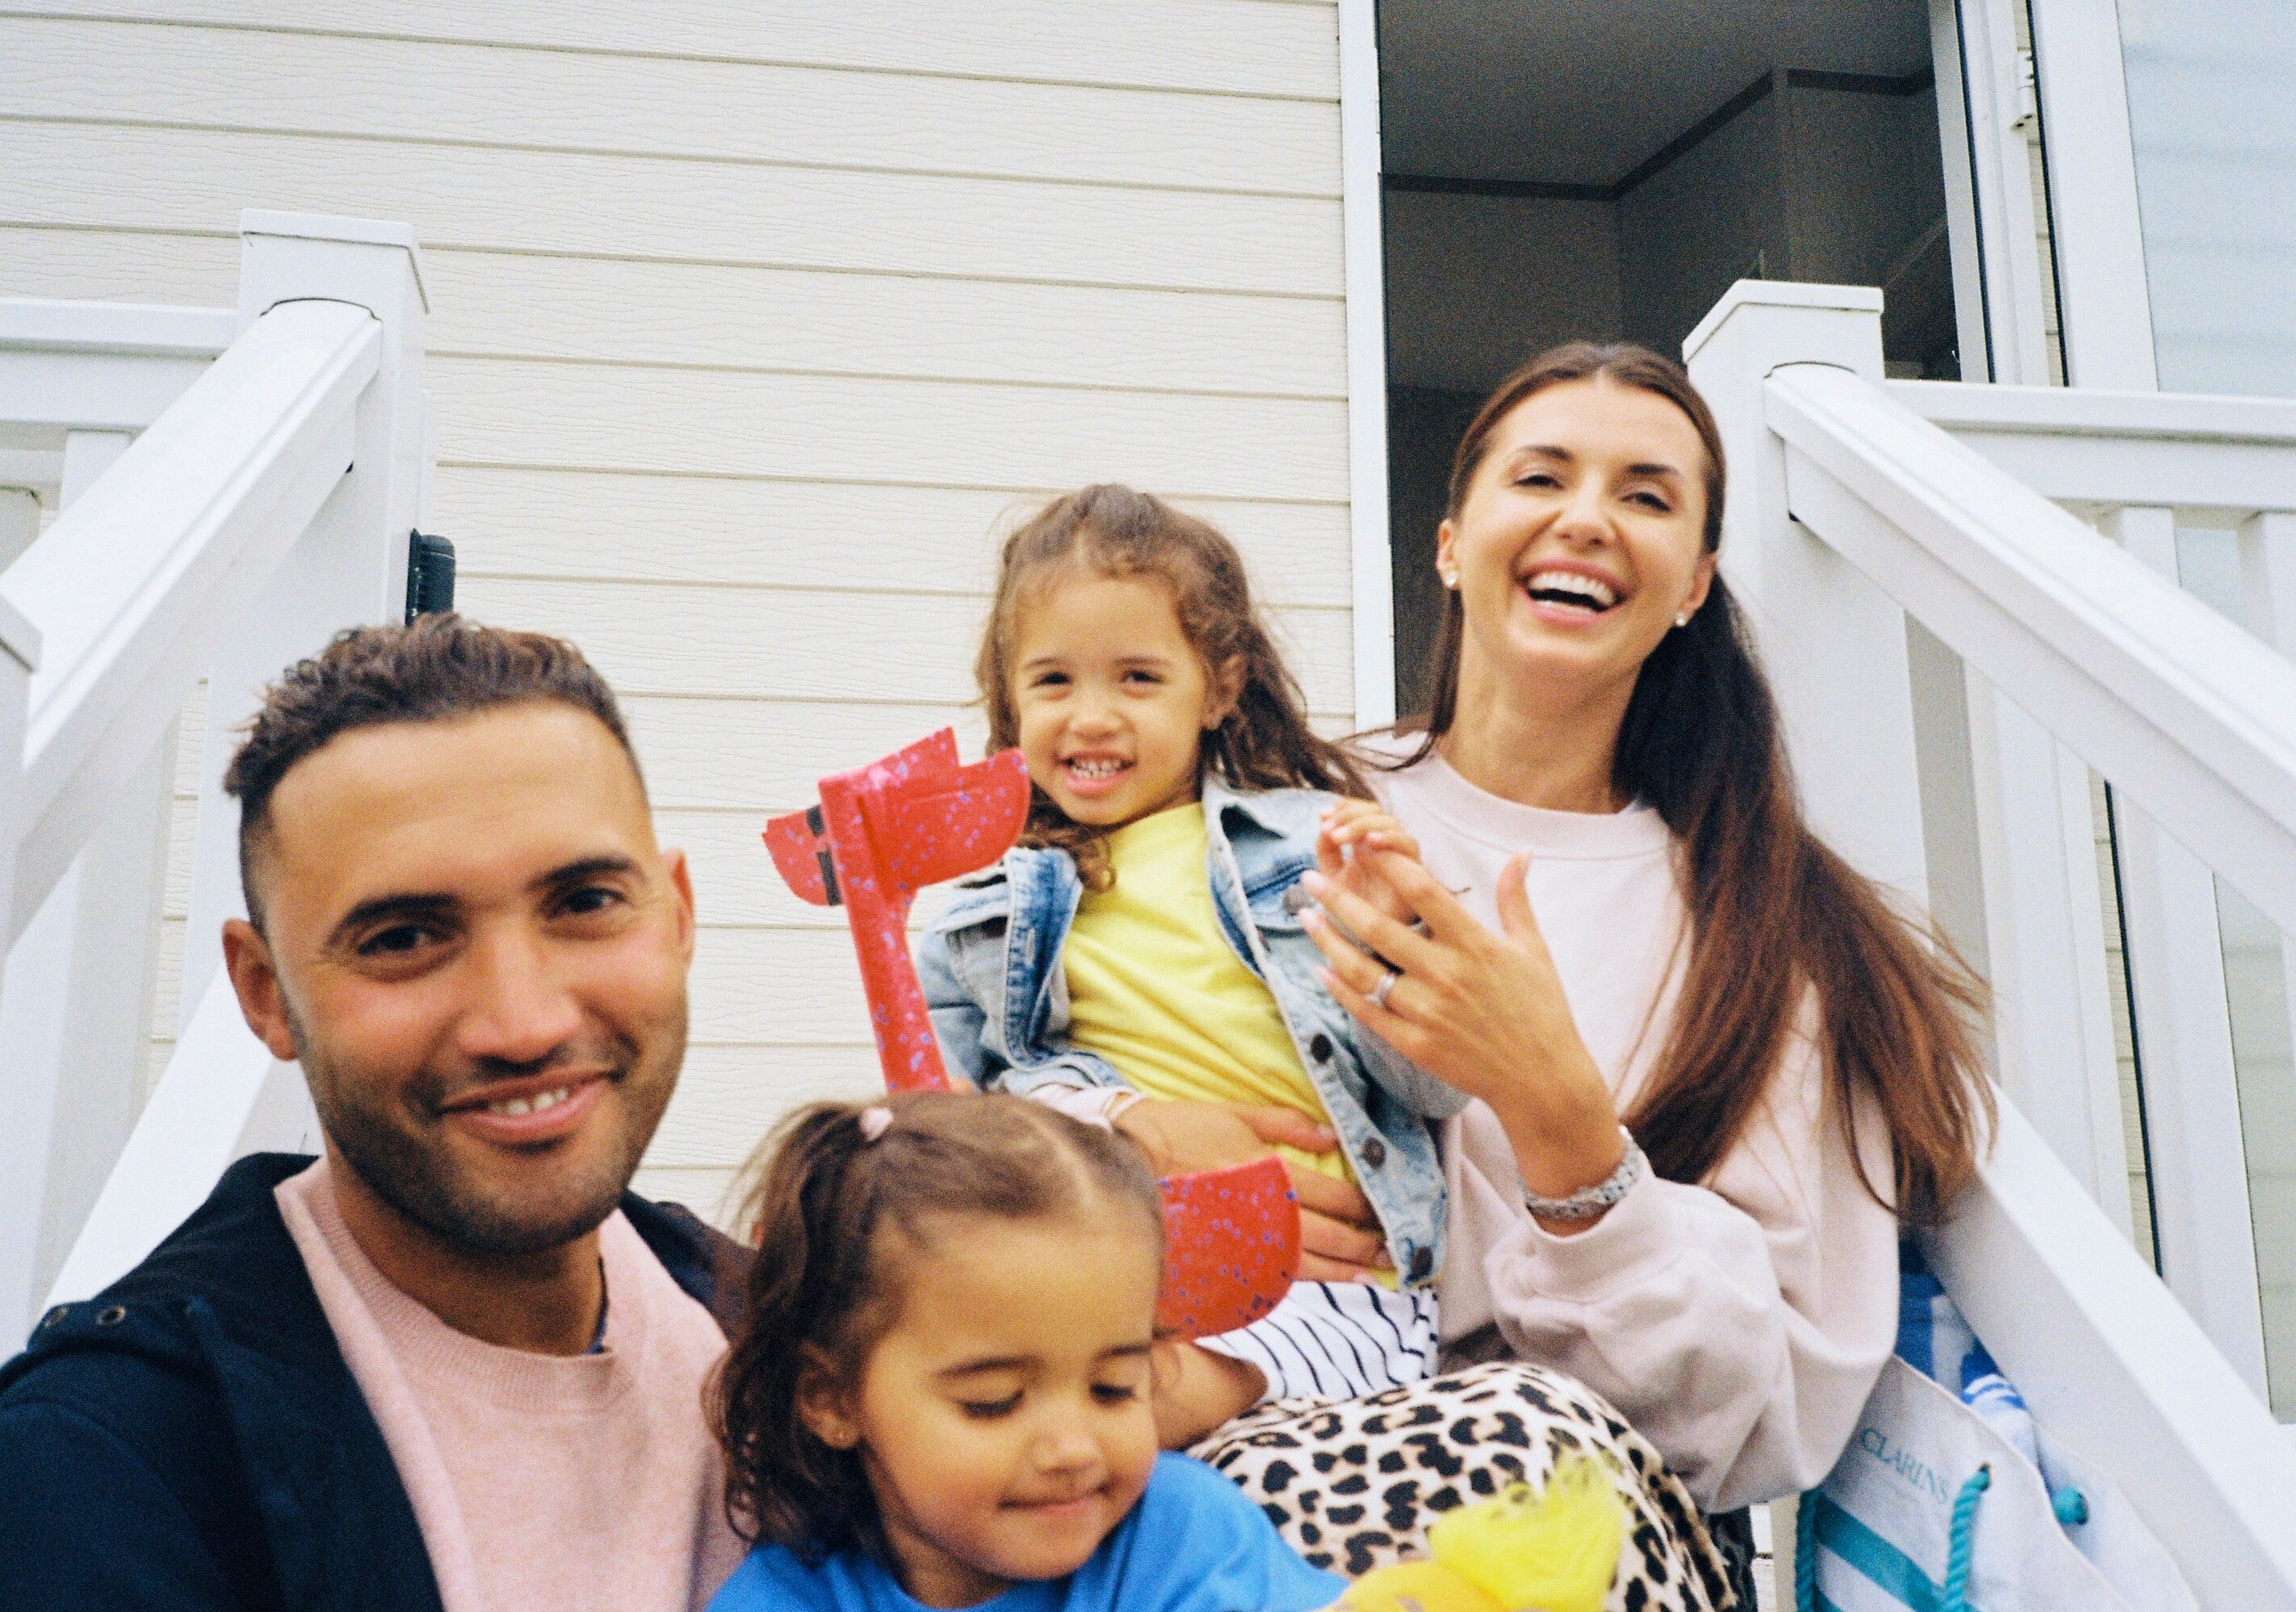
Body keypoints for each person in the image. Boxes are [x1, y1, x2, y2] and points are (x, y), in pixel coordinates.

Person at [1182, 342, 1992, 1600]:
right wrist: (1136, 1137)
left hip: (1573, 1512)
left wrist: (1555, 1108)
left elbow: (1764, 1415)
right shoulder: (1272, 822)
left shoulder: (1766, 930)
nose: (1586, 520)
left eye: (1647, 495)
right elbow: (1032, 1079)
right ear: (1452, 542)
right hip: (1231, 1449)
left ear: (1694, 585)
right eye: (1543, 476)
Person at [0, 618, 750, 1611]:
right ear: (264, 991)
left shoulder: (791, 1339)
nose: (523, 1022)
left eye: (583, 902)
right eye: (404, 936)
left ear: (678, 914)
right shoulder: (109, 1469)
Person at [916, 484, 1468, 1445]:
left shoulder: (1310, 847)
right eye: (1053, 682)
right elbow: (945, 1135)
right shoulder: (977, 917)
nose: (1091, 717)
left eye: (1137, 678)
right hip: (1107, 1289)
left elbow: (1439, 1088)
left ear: (1217, 687)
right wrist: (1117, 1116)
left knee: (1111, 1410)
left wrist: (1393, 951)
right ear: (1009, 695)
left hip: (1323, 1299)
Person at [703, 1091, 1347, 1612]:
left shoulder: (1181, 1534)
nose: (1074, 1448)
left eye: (1115, 1386)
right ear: (832, 1398)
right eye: (995, 1402)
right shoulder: (790, 1594)